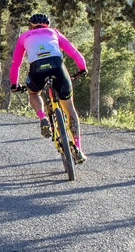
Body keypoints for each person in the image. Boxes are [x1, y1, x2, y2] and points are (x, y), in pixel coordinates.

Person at [10, 13, 88, 163]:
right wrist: (82, 68)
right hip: (57, 66)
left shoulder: (24, 36)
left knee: (33, 93)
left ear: (30, 26)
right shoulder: (54, 32)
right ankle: (77, 147)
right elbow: (73, 51)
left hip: (37, 68)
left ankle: (42, 117)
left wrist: (14, 84)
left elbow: (16, 63)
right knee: (70, 108)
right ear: (46, 25)